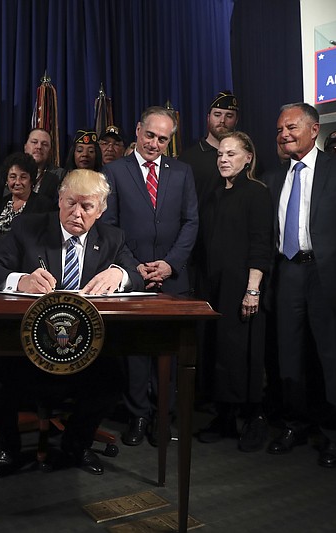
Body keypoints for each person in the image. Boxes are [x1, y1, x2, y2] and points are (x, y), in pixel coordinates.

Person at [0, 169, 145, 476]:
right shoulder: (29, 227)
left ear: (101, 210)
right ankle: (9, 448)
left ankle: (74, 446)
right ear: (59, 199)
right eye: (70, 203)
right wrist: (20, 280)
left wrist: (120, 274)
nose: (76, 214)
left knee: (113, 379)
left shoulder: (112, 238)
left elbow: (139, 276)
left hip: (83, 347)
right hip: (28, 344)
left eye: (86, 207)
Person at [264, 103, 336, 468]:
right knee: (289, 355)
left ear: (314, 129)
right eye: (280, 129)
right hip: (288, 272)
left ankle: (334, 435)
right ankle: (294, 424)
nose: (284, 135)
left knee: (331, 357)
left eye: (291, 127)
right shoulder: (274, 177)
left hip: (329, 276)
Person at [101, 105, 199, 447]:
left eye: (163, 139)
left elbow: (191, 223)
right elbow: (108, 227)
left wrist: (170, 263)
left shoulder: (182, 172)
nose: (155, 144)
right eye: (150, 135)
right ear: (138, 130)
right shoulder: (114, 171)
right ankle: (138, 415)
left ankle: (163, 417)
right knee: (135, 353)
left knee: (167, 355)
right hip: (132, 279)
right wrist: (135, 268)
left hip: (173, 280)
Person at [195, 132, 273, 452]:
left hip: (242, 286)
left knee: (245, 352)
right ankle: (225, 417)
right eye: (220, 154)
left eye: (231, 153)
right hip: (214, 288)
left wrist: (252, 290)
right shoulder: (214, 194)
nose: (223, 159)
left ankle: (254, 418)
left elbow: (261, 244)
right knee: (219, 351)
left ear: (248, 158)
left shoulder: (257, 192)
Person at [179, 91, 240, 406]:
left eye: (229, 116)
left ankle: (228, 392)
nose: (223, 121)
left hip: (233, 256)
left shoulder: (243, 154)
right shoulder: (189, 157)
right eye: (217, 115)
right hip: (199, 256)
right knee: (201, 327)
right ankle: (200, 391)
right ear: (207, 118)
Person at [0, 152, 55, 258]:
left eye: (23, 177)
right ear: (7, 180)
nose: (17, 182)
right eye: (13, 177)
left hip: (27, 263)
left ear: (31, 180)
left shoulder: (44, 205)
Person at [23, 128, 61, 204]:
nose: (39, 147)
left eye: (44, 144)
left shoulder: (60, 176)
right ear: (25, 147)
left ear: (50, 151)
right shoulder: (12, 172)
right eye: (34, 142)